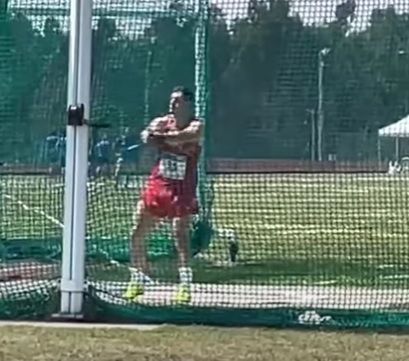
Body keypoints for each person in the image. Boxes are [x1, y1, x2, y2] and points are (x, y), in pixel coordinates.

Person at [124, 86, 203, 304]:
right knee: (137, 230)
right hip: (159, 183)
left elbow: (184, 137)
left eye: (177, 101)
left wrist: (163, 139)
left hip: (182, 187)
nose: (172, 105)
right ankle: (137, 279)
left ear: (187, 104)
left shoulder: (197, 125)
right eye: (171, 101)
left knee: (180, 234)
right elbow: (146, 136)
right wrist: (158, 137)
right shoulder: (162, 121)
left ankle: (185, 284)